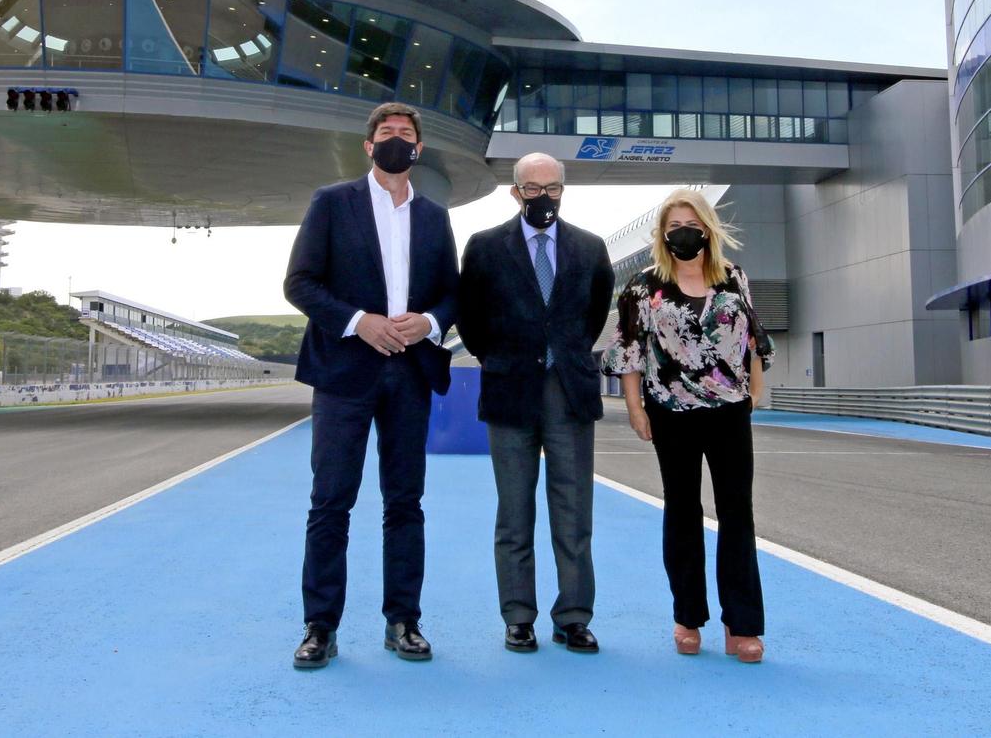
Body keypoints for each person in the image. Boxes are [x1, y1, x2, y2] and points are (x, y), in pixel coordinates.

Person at [282, 102, 459, 670]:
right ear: (368, 145)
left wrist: (428, 323)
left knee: (405, 502)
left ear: (419, 149)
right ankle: (320, 626)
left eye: (406, 134)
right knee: (331, 500)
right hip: (343, 373)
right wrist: (363, 321)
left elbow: (452, 294)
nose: (397, 140)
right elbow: (299, 283)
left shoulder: (435, 216)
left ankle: (403, 621)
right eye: (387, 133)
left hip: (410, 373)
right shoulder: (332, 203)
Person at [601, 188, 773, 663]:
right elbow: (630, 351)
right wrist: (636, 409)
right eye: (674, 226)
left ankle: (743, 625)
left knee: (737, 512)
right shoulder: (643, 285)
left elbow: (754, 340)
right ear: (663, 234)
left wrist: (753, 392)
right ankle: (687, 616)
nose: (684, 232)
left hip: (729, 412)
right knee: (682, 511)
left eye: (692, 224)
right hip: (670, 413)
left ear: (708, 230)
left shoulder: (734, 278)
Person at [457, 153, 614, 654]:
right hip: (509, 388)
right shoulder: (483, 247)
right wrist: (504, 357)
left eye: (551, 187)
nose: (542, 195)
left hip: (568, 389)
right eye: (531, 187)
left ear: (563, 190)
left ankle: (573, 616)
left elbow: (594, 314)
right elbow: (471, 317)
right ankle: (518, 615)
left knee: (573, 511)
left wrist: (560, 355)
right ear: (515, 191)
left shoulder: (590, 248)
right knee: (514, 509)